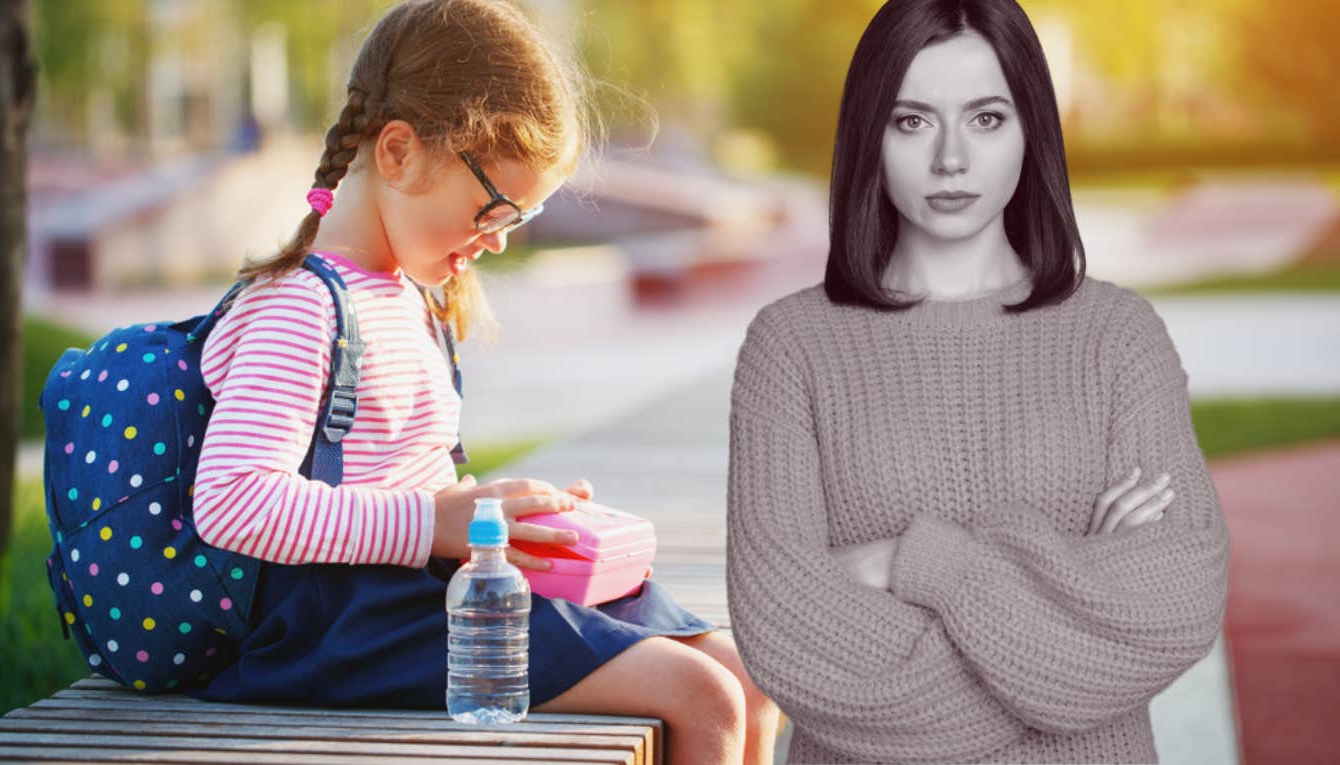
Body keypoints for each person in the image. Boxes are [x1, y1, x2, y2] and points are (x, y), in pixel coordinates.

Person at [187, 2, 780, 763]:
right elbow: (233, 500)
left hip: (431, 586)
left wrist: (509, 518)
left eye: (518, 218)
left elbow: (416, 479)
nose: (498, 240)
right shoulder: (300, 303)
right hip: (348, 621)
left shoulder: (406, 291)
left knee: (747, 677)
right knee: (704, 697)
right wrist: (434, 524)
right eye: (491, 208)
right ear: (398, 153)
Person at [724, 0, 1230, 763]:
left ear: (1031, 129)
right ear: (870, 134)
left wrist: (912, 562)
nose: (951, 160)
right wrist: (1073, 595)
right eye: (913, 121)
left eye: (987, 119)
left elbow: (1178, 599)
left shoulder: (1119, 337)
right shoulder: (791, 347)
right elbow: (787, 634)